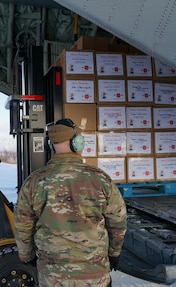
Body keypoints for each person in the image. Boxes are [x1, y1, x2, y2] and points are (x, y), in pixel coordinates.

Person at [14, 118, 127, 287]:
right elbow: (118, 221)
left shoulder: (33, 182)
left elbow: (22, 225)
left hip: (52, 276)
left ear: (50, 146)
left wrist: (27, 256)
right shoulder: (101, 179)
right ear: (77, 143)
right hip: (93, 275)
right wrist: (114, 253)